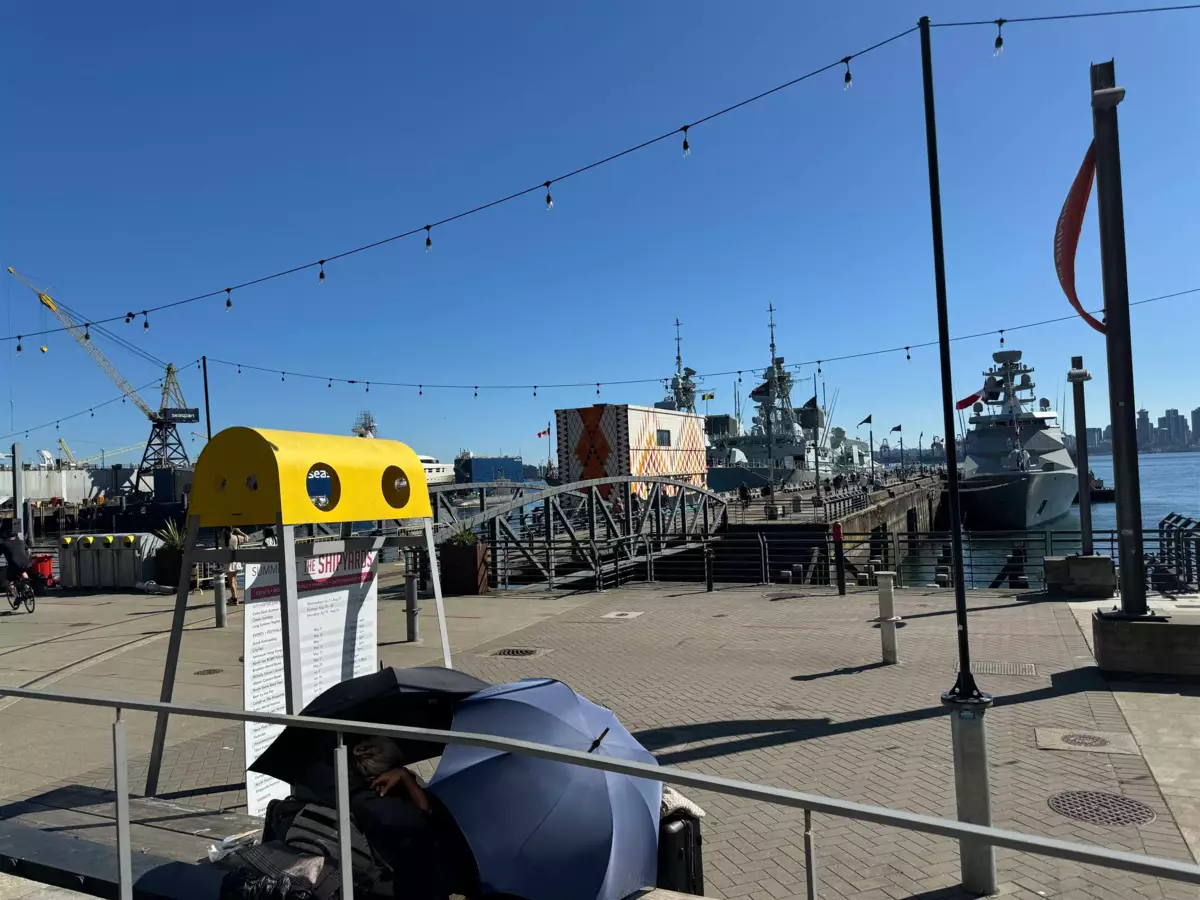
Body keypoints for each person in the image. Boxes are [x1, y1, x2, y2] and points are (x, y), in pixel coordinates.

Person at [0, 520, 32, 602]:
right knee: (23, 572)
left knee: (9, 583)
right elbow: (28, 550)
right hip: (25, 562)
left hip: (13, 564)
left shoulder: (4, 544)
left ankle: (17, 597)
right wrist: (27, 558)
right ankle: (27, 588)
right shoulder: (21, 541)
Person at [224, 527, 248, 603]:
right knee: (234, 579)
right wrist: (240, 532)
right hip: (236, 560)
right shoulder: (237, 537)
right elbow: (247, 538)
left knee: (231, 581)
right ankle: (234, 596)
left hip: (228, 561)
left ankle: (234, 598)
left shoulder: (223, 538)